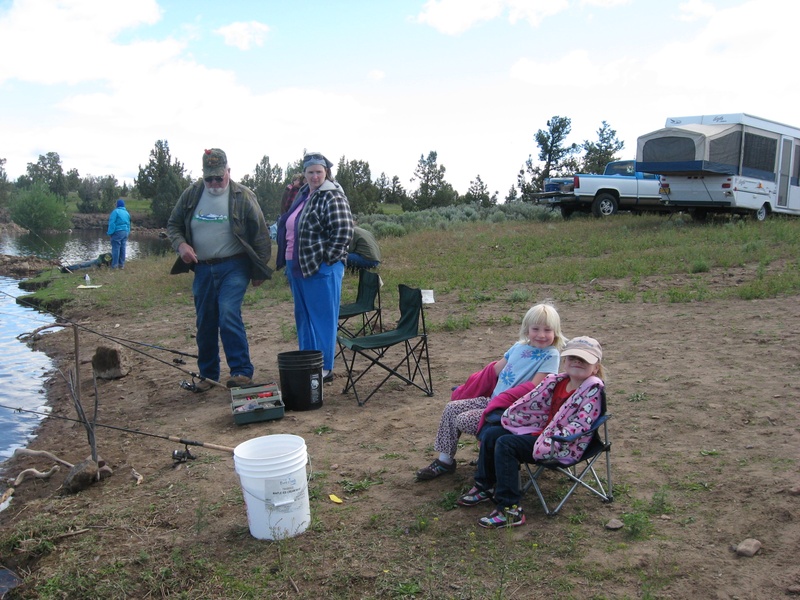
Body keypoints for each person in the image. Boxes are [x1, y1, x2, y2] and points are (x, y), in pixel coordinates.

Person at [458, 336, 606, 529]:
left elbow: (581, 425)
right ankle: (485, 486)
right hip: (541, 432)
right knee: (492, 433)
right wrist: (512, 416)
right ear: (565, 362)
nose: (577, 362)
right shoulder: (557, 381)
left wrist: (553, 439)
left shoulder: (592, 390)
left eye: (585, 360)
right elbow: (532, 403)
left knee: (506, 444)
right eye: (572, 358)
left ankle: (510, 509)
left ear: (595, 368)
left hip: (563, 444)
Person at [415, 303, 565, 481]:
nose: (541, 335)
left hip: (514, 410)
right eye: (536, 329)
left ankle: (488, 457)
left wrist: (502, 398)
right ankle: (445, 461)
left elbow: (536, 387)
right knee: (451, 408)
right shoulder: (518, 347)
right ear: (527, 329)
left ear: (556, 332)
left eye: (547, 330)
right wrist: (470, 387)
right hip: (493, 400)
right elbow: (493, 371)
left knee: (463, 419)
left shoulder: (551, 355)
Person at [167, 148, 272, 391]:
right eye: (209, 178)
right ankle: (208, 375)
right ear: (203, 175)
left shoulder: (243, 196)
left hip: (234, 265)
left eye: (219, 177)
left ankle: (241, 372)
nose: (214, 183)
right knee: (205, 320)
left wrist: (259, 271)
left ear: (228, 171)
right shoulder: (191, 194)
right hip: (202, 268)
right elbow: (173, 225)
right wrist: (181, 245)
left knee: (227, 313)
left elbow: (261, 235)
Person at [276, 152, 353, 381]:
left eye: (319, 172)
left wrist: (326, 260)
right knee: (304, 317)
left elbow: (344, 231)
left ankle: (325, 368)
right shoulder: (304, 194)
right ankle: (307, 362)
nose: (315, 176)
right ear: (305, 174)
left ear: (326, 172)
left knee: (323, 318)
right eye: (310, 172)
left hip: (321, 268)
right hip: (297, 265)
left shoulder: (332, 195)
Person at [107, 198, 131, 269]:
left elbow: (112, 223)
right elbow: (129, 224)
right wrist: (127, 232)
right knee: (123, 248)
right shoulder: (127, 213)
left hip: (118, 231)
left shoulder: (115, 212)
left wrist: (110, 233)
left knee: (116, 248)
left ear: (117, 205)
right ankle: (121, 265)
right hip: (125, 232)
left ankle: (114, 265)